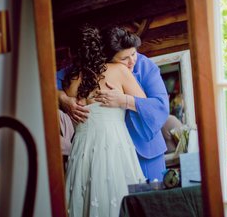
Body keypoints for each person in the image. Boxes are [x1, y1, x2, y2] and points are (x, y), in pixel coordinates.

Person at [57, 26, 170, 181]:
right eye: (124, 59)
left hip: (146, 151)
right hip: (107, 153)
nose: (132, 61)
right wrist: (63, 99)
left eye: (134, 53)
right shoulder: (88, 69)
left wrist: (124, 100)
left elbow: (160, 106)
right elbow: (51, 82)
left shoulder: (145, 65)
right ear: (106, 59)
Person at [63, 24, 146, 217]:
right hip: (115, 145)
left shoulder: (70, 81)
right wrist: (123, 99)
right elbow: (144, 104)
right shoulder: (119, 71)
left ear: (72, 53)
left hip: (82, 150)